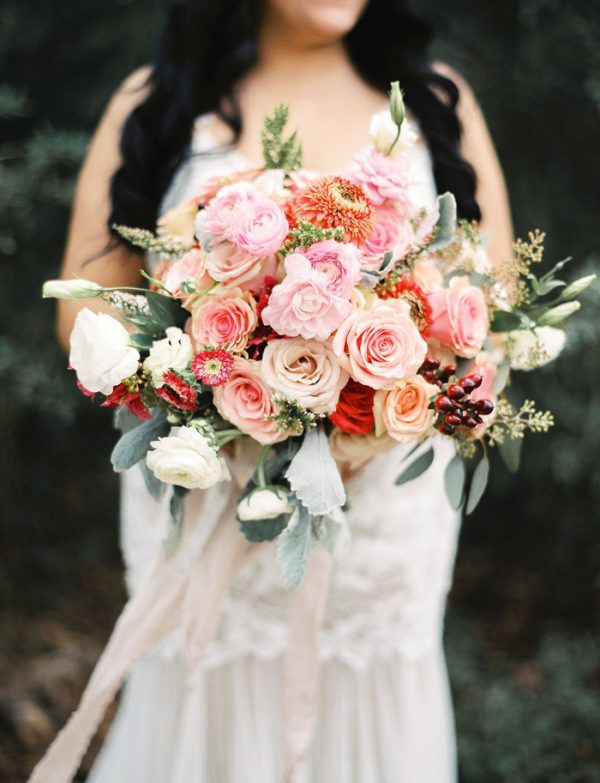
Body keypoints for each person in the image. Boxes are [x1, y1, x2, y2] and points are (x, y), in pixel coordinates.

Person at [53, 1, 513, 781]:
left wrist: (364, 413)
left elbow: (489, 317)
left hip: (383, 528)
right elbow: (82, 317)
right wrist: (224, 384)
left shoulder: (437, 100)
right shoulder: (158, 99)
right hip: (207, 500)